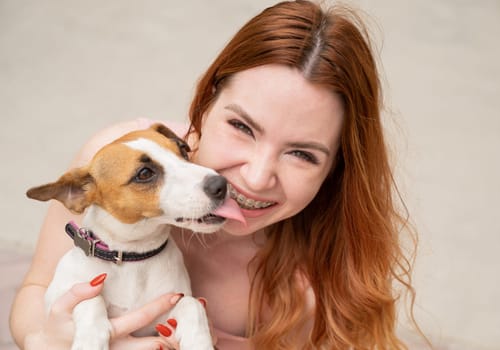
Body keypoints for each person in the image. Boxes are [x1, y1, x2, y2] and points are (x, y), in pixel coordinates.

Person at [10, 0, 420, 349]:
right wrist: (44, 339)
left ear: (335, 167)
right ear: (204, 103)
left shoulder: (318, 285)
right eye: (242, 127)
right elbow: (35, 291)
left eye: (301, 154)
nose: (257, 179)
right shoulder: (112, 159)